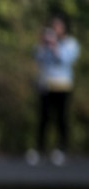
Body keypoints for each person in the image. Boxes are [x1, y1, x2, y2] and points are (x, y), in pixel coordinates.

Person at [26, 15, 80, 166]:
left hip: (62, 86)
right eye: (53, 27)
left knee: (61, 118)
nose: (55, 30)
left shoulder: (70, 43)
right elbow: (37, 56)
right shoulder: (45, 44)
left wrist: (55, 46)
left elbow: (64, 60)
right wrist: (44, 44)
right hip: (46, 85)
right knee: (43, 118)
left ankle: (61, 149)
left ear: (63, 28)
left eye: (58, 27)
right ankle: (39, 148)